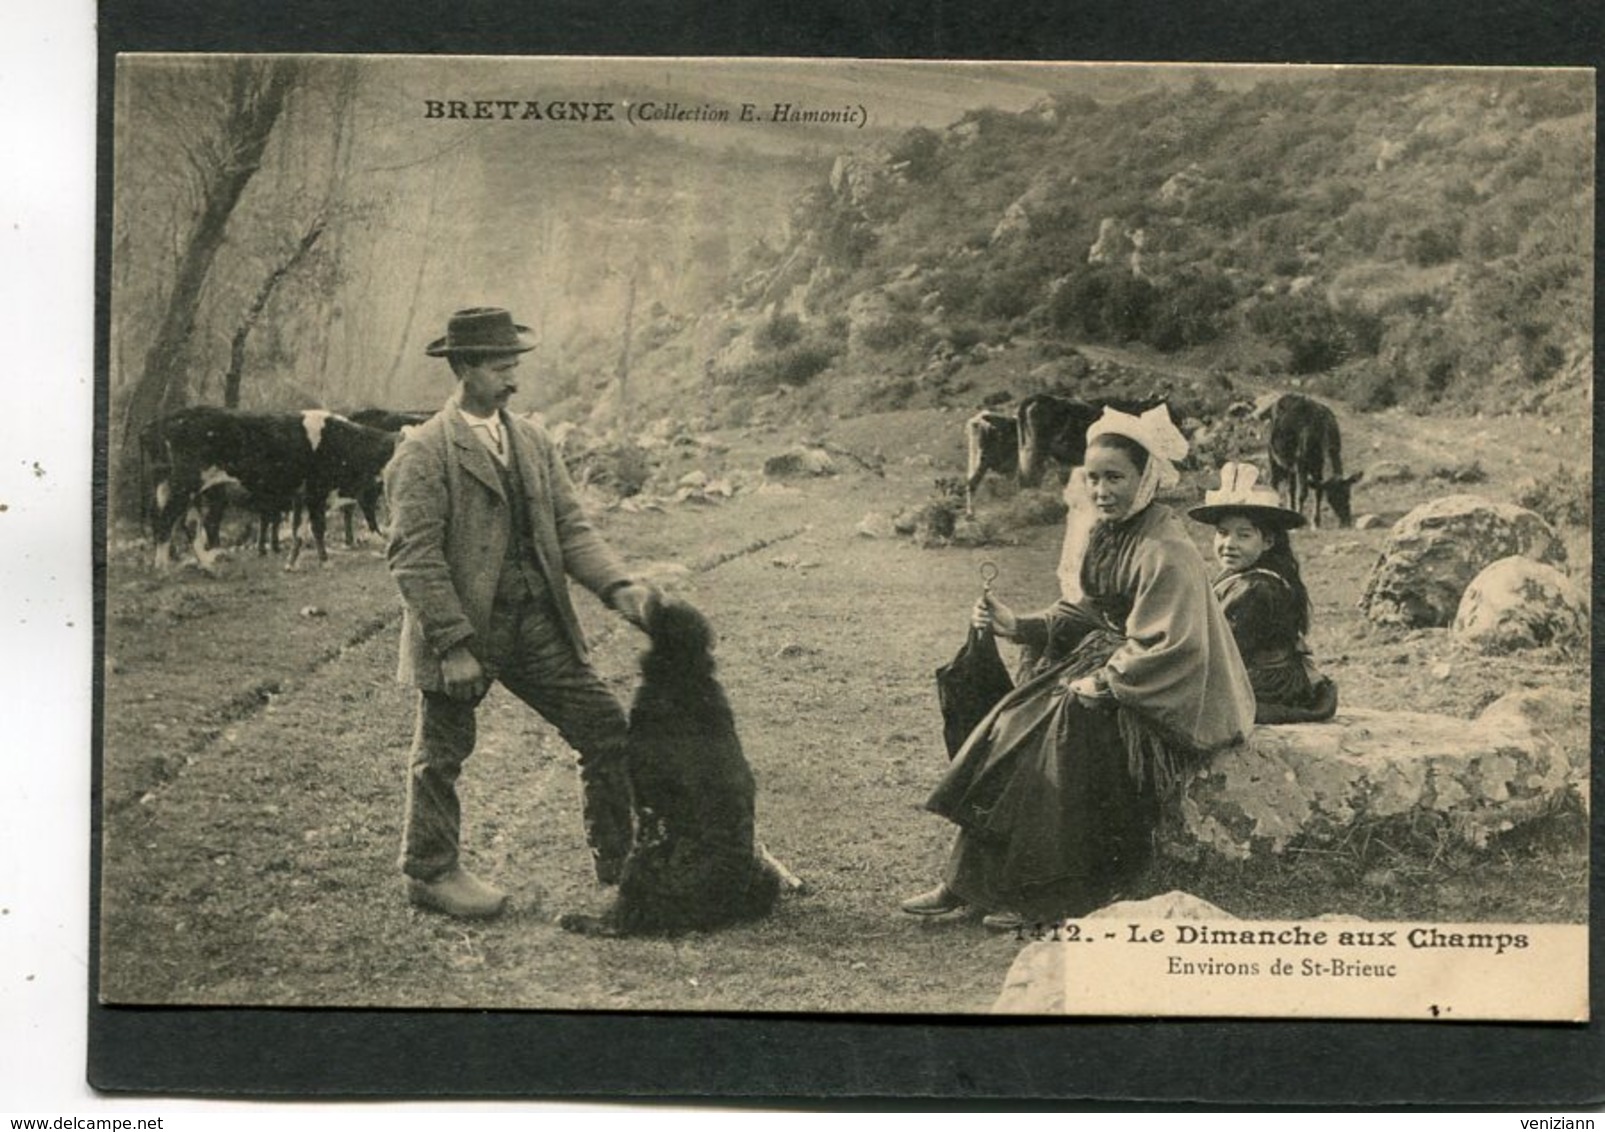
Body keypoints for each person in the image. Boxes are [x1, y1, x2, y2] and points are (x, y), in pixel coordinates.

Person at [901, 405, 1255, 928]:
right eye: (1093, 478)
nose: (1102, 491)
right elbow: (1088, 610)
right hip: (1114, 665)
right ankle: (968, 882)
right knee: (1011, 719)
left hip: (1173, 691)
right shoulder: (1109, 532)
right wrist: (1017, 623)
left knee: (1060, 732)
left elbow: (1173, 645)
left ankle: (1048, 894)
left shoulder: (1167, 546)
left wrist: (1107, 682)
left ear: (1146, 479)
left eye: (1115, 478)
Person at [385, 307, 658, 919]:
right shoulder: (425, 452)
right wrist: (453, 645)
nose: (513, 379)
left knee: (606, 728)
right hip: (465, 632)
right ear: (464, 368)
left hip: (536, 623)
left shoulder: (532, 440)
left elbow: (570, 526)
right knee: (441, 754)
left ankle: (622, 864)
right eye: (501, 368)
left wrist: (618, 587)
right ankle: (429, 872)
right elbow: (413, 556)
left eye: (515, 366)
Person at [1188, 462, 1338, 724]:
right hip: (1245, 669)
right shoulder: (1237, 578)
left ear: (1268, 541)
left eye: (1243, 535)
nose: (1229, 544)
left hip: (1267, 683)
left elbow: (1222, 650)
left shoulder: (1257, 589)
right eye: (1222, 533)